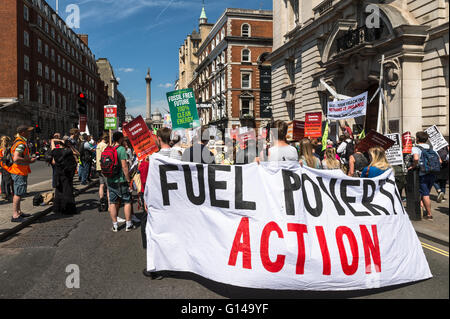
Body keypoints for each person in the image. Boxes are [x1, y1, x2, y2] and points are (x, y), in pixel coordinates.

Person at [409, 131, 442, 220]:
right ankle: (421, 208)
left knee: (425, 193)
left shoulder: (415, 148)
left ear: (417, 139)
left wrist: (413, 165)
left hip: (422, 173)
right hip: (432, 173)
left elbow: (416, 158)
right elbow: (440, 161)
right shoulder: (432, 148)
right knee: (424, 191)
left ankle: (429, 214)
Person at [107, 132, 135, 232]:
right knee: (127, 201)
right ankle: (128, 224)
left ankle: (115, 225)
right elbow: (124, 166)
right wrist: (128, 180)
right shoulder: (121, 149)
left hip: (110, 179)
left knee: (113, 202)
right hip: (121, 179)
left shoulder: (109, 148)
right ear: (120, 139)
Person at [9, 125, 37, 222]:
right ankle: (15, 215)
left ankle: (19, 212)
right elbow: (16, 158)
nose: (29, 133)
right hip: (19, 171)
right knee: (18, 193)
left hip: (18, 170)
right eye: (27, 131)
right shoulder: (21, 143)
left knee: (18, 192)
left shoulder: (19, 141)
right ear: (22, 133)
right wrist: (30, 160)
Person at [50, 137, 78, 215]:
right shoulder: (68, 151)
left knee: (59, 191)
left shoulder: (55, 151)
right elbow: (77, 153)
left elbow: (52, 141)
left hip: (58, 173)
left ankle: (58, 208)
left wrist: (58, 140)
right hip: (66, 173)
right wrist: (69, 145)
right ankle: (68, 208)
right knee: (67, 190)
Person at [96, 134, 109, 211]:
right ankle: (108, 201)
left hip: (98, 166)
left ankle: (101, 200)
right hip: (104, 166)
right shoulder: (104, 146)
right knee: (108, 186)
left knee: (101, 184)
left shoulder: (98, 145)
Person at [0, 136, 14, 202]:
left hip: (2, 166)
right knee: (8, 181)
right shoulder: (8, 149)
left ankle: (3, 193)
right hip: (7, 167)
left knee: (3, 180)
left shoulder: (1, 149)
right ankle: (8, 195)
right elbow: (9, 158)